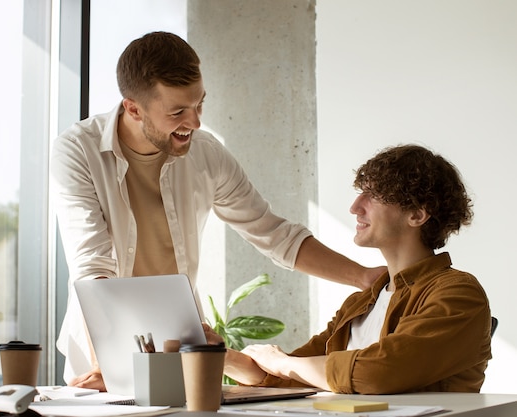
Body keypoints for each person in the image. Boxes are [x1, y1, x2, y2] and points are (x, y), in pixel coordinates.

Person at [50, 31, 384, 389]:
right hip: (103, 357)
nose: (194, 122)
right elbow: (92, 270)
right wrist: (113, 364)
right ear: (133, 108)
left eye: (199, 105)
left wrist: (362, 277)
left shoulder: (206, 154)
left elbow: (274, 235)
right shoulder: (77, 152)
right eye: (178, 112)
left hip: (184, 353)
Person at [205, 144, 492, 394]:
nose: (355, 207)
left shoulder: (457, 294)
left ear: (417, 214)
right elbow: (290, 377)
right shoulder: (362, 302)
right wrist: (212, 353)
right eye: (361, 194)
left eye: (374, 195)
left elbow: (379, 372)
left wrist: (284, 363)